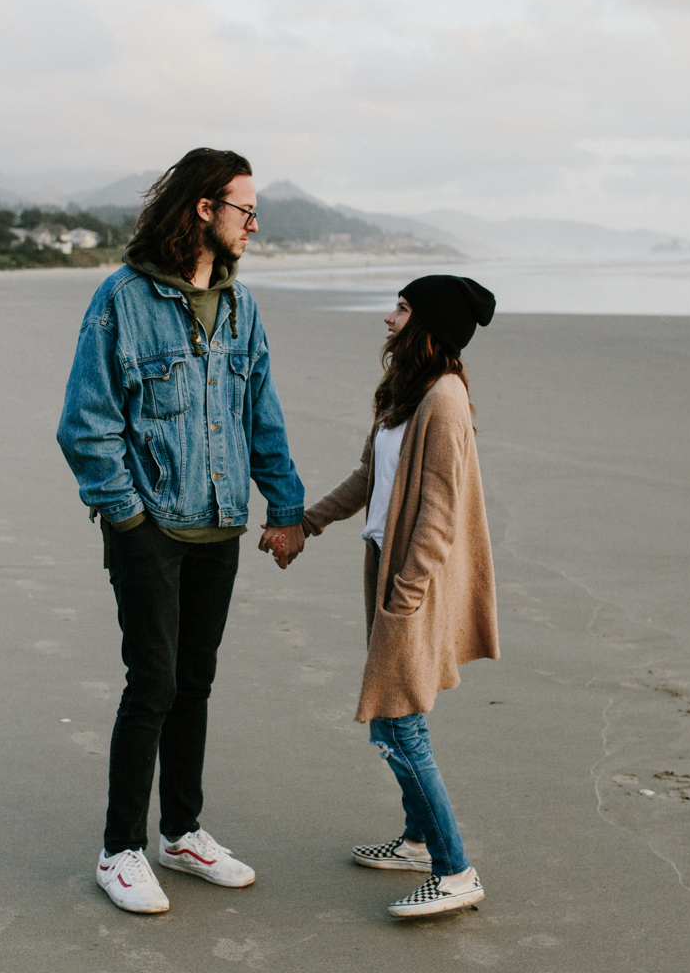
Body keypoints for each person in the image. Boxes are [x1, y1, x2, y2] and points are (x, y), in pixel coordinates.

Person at [56, 148, 307, 915]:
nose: (255, 224)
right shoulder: (121, 300)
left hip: (220, 527)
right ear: (204, 209)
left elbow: (260, 411)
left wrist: (286, 505)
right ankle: (120, 850)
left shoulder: (241, 306)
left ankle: (183, 833)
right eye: (245, 210)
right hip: (151, 528)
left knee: (194, 683)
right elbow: (86, 425)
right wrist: (127, 519)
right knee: (153, 684)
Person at [268, 275, 499, 918]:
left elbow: (439, 516)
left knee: (400, 721)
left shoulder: (445, 402)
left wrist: (406, 598)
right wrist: (304, 524)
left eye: (400, 309)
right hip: (383, 565)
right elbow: (370, 477)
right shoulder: (408, 393)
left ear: (426, 324)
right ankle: (419, 842)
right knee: (395, 716)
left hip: (411, 580)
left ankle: (456, 870)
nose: (388, 318)